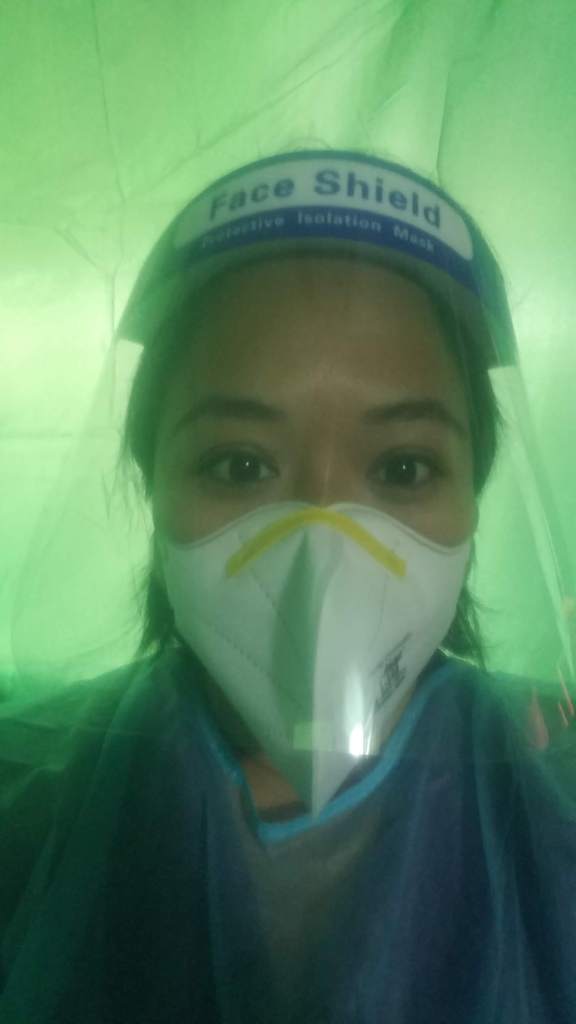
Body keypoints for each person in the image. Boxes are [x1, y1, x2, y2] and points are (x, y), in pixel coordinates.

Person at [1, 149, 576, 1023]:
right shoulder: (36, 804)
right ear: (152, 488)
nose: (321, 550)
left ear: (474, 495)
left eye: (403, 467)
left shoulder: (551, 792)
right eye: (240, 464)